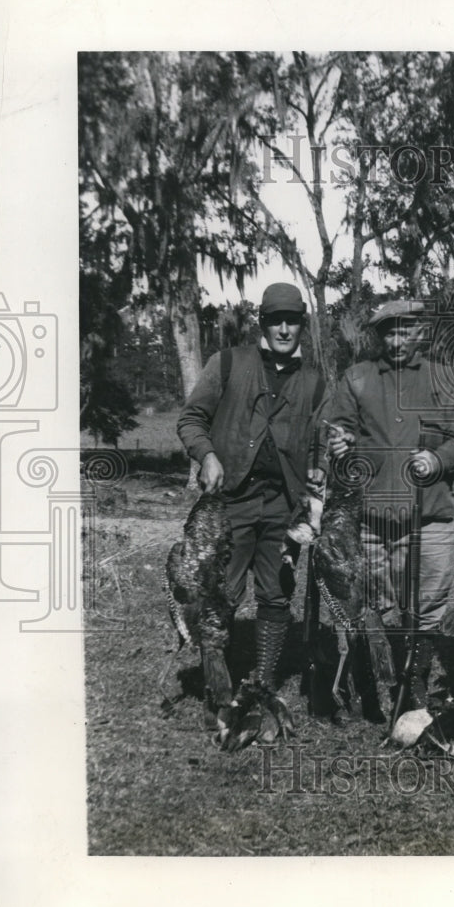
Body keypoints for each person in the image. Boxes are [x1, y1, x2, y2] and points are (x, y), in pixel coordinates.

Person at [177, 282, 327, 718]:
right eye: (276, 319)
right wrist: (206, 456)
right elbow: (191, 418)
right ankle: (217, 686)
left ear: (302, 325)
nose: (284, 328)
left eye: (293, 320)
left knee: (276, 594)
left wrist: (321, 465)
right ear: (262, 321)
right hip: (230, 501)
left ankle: (262, 682)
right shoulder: (226, 363)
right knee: (221, 591)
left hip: (283, 505)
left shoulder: (315, 384)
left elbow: (320, 443)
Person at [326, 299, 454, 714]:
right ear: (378, 335)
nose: (396, 339)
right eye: (388, 331)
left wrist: (438, 459)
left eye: (404, 330)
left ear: (419, 331)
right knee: (380, 605)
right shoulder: (357, 378)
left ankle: (416, 686)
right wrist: (340, 445)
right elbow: (340, 434)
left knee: (426, 604)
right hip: (373, 516)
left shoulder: (443, 378)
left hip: (430, 513)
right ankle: (380, 680)